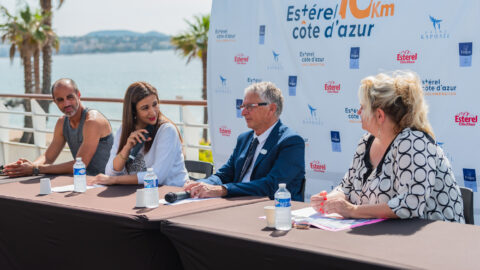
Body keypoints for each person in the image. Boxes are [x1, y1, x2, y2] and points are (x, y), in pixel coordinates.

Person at [311, 71, 464, 223]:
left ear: (379, 115)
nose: (358, 112)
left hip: (435, 239)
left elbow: (410, 204)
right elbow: (346, 187)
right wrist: (328, 199)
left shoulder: (412, 141)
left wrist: (352, 210)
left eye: (363, 107)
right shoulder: (366, 142)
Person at [184, 82, 305, 201]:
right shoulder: (244, 139)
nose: (243, 112)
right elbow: (224, 175)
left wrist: (224, 189)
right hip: (236, 206)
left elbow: (272, 185)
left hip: (273, 212)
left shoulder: (291, 142)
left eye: (250, 107)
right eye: (243, 107)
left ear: (271, 109)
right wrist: (200, 184)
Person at [3, 78, 113, 177]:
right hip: (82, 180)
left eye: (70, 97)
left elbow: (79, 164)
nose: (66, 104)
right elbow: (48, 157)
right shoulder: (62, 123)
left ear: (78, 95)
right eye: (60, 100)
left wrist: (35, 169)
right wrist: (28, 166)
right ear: (54, 101)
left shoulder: (92, 121)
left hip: (107, 183)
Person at [88, 81, 188, 187]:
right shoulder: (124, 130)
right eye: (145, 108)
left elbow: (157, 176)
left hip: (171, 194)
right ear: (133, 111)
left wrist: (115, 180)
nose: (153, 112)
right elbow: (110, 172)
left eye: (155, 104)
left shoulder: (167, 131)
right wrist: (127, 148)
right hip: (141, 192)